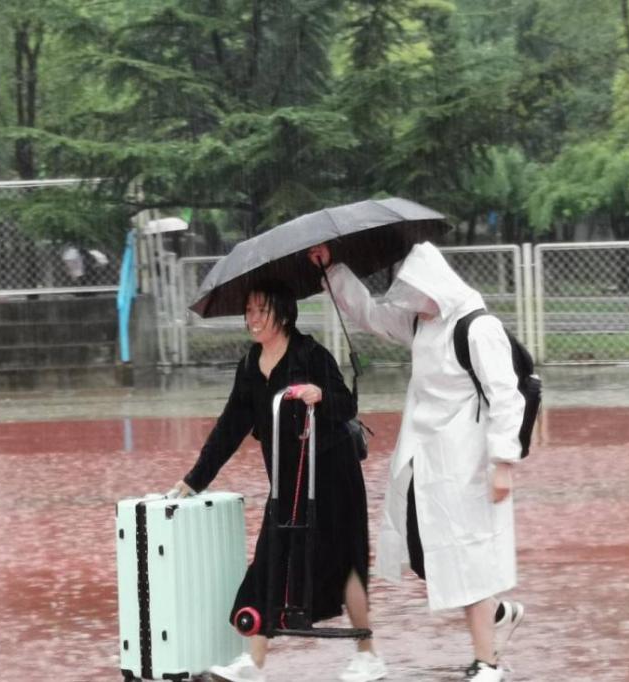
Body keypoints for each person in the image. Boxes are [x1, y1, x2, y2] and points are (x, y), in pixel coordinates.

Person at [307, 242, 525, 682]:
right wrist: (333, 271)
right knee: (427, 556)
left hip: (466, 463)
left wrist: (502, 462)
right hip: (424, 460)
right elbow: (371, 315)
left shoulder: (476, 328)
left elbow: (506, 396)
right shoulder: (421, 323)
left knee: (467, 560)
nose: (408, 304)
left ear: (435, 287)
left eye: (414, 295)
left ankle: (488, 663)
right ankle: (498, 614)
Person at [171, 281, 387, 682]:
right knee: (271, 555)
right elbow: (229, 427)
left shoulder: (310, 354)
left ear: (283, 313)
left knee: (345, 561)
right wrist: (194, 479)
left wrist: (320, 394)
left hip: (333, 476)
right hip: (287, 481)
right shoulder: (250, 366)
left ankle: (368, 654)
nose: (252, 319)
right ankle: (254, 664)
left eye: (261, 310)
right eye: (249, 311)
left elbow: (346, 405)